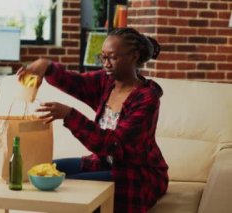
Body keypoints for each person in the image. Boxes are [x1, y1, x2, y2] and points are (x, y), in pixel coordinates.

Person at [17, 27, 169, 213]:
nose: (106, 64)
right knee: (45, 172)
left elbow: (113, 144)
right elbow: (75, 82)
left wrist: (69, 115)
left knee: (69, 187)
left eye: (112, 57)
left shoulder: (146, 98)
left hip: (135, 173)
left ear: (134, 56)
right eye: (103, 57)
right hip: (103, 162)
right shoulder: (106, 82)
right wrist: (46, 65)